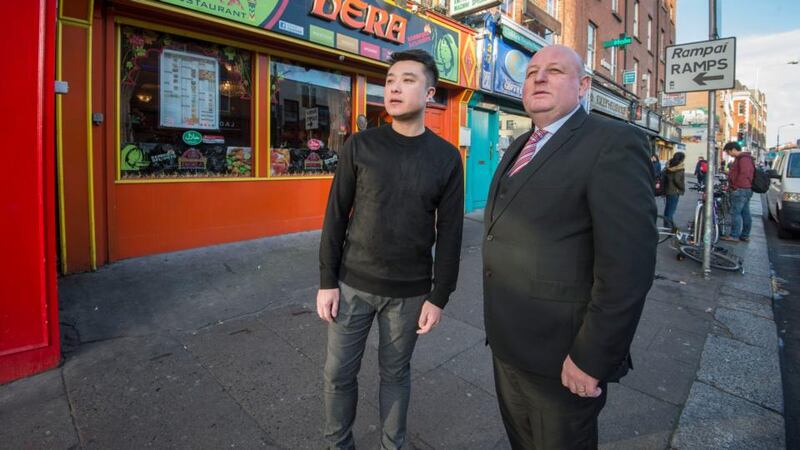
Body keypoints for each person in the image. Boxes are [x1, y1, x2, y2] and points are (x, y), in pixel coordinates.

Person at [482, 45, 656, 448]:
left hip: (564, 357)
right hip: (509, 345)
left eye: (554, 71)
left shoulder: (613, 142)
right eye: (531, 72)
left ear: (583, 87)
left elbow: (627, 269)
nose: (538, 78)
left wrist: (591, 357)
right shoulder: (519, 145)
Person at [317, 49, 464, 450]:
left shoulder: (447, 158)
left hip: (410, 293)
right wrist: (326, 281)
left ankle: (392, 445)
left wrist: (440, 296)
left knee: (395, 374)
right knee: (337, 374)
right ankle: (337, 444)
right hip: (352, 286)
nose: (395, 86)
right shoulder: (360, 146)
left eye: (408, 79)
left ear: (430, 93)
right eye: (391, 79)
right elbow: (335, 216)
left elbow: (451, 233)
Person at [720, 141, 755, 242]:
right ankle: (745, 235)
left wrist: (735, 186)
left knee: (736, 213)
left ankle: (734, 236)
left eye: (728, 151)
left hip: (740, 189)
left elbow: (744, 174)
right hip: (745, 189)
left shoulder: (743, 159)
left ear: (734, 149)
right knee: (745, 213)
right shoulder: (743, 159)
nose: (728, 154)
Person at [663, 152, 686, 230]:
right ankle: (668, 228)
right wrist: (682, 187)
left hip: (667, 189)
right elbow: (677, 180)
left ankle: (668, 226)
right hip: (675, 191)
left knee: (668, 209)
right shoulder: (679, 167)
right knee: (671, 210)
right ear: (681, 159)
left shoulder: (669, 165)